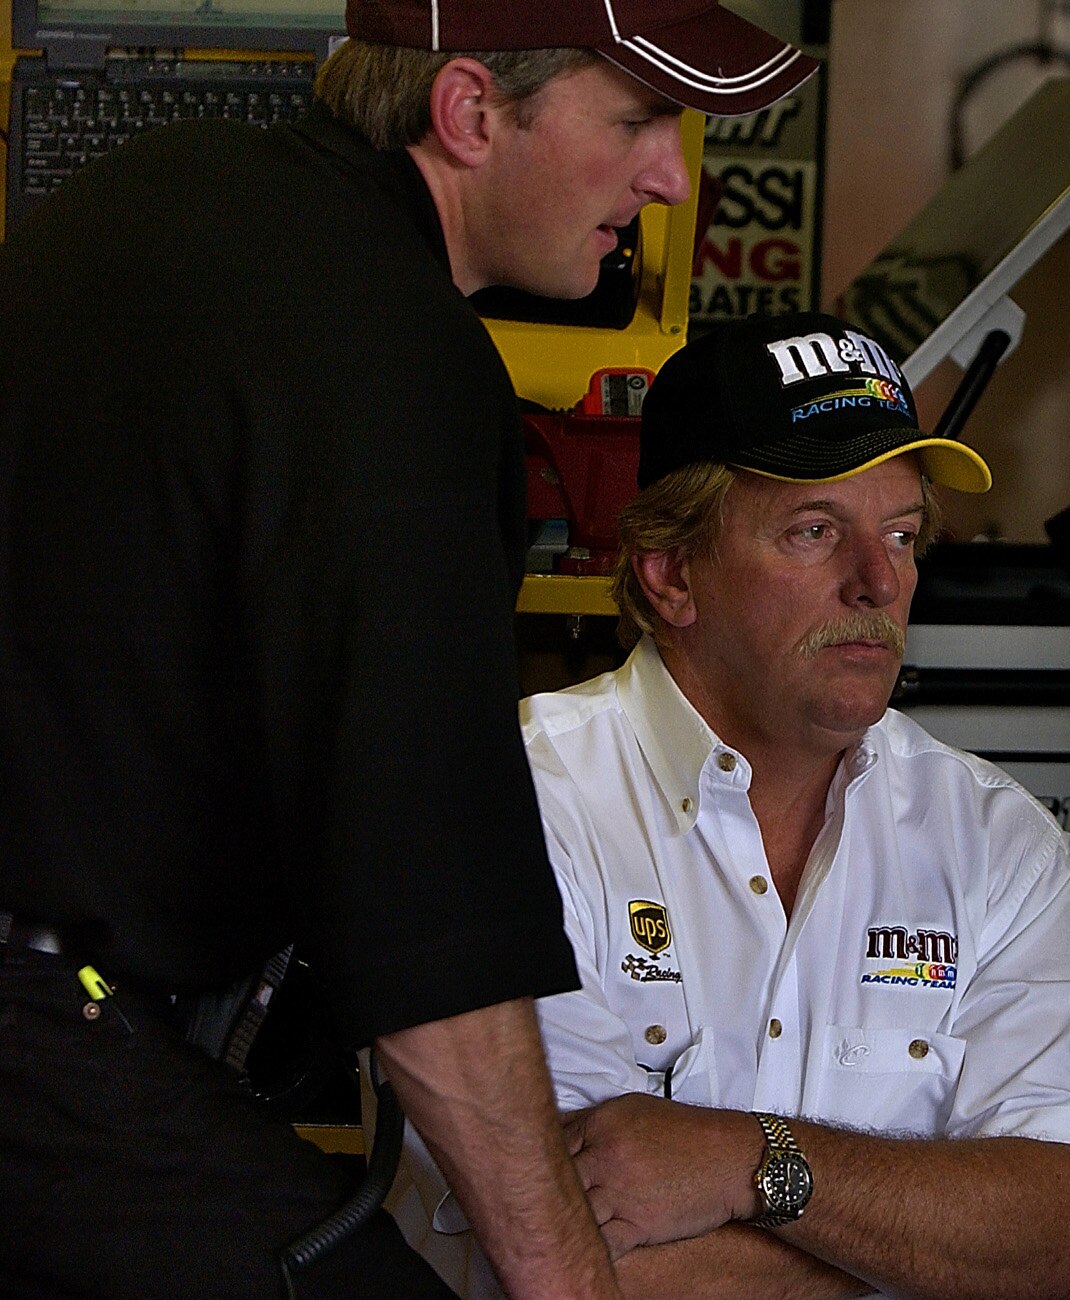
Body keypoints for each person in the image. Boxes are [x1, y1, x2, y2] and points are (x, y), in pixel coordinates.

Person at [0, 2, 815, 1296]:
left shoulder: (166, 198)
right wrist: (568, 1281)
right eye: (639, 120)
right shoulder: (387, 350)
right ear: (472, 112)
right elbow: (429, 917)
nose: (668, 180)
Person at [389, 311, 1070, 1299]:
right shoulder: (515, 803)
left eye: (902, 533)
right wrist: (920, 1250)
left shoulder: (996, 841)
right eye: (813, 531)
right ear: (670, 573)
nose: (877, 582)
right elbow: (557, 1255)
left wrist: (748, 1164)